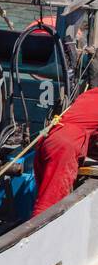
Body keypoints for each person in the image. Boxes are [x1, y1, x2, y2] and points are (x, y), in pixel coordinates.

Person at [31, 87, 98, 216]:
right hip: (64, 147)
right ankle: (43, 234)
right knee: (50, 206)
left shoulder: (89, 94)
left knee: (44, 197)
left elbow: (86, 125)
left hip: (49, 139)